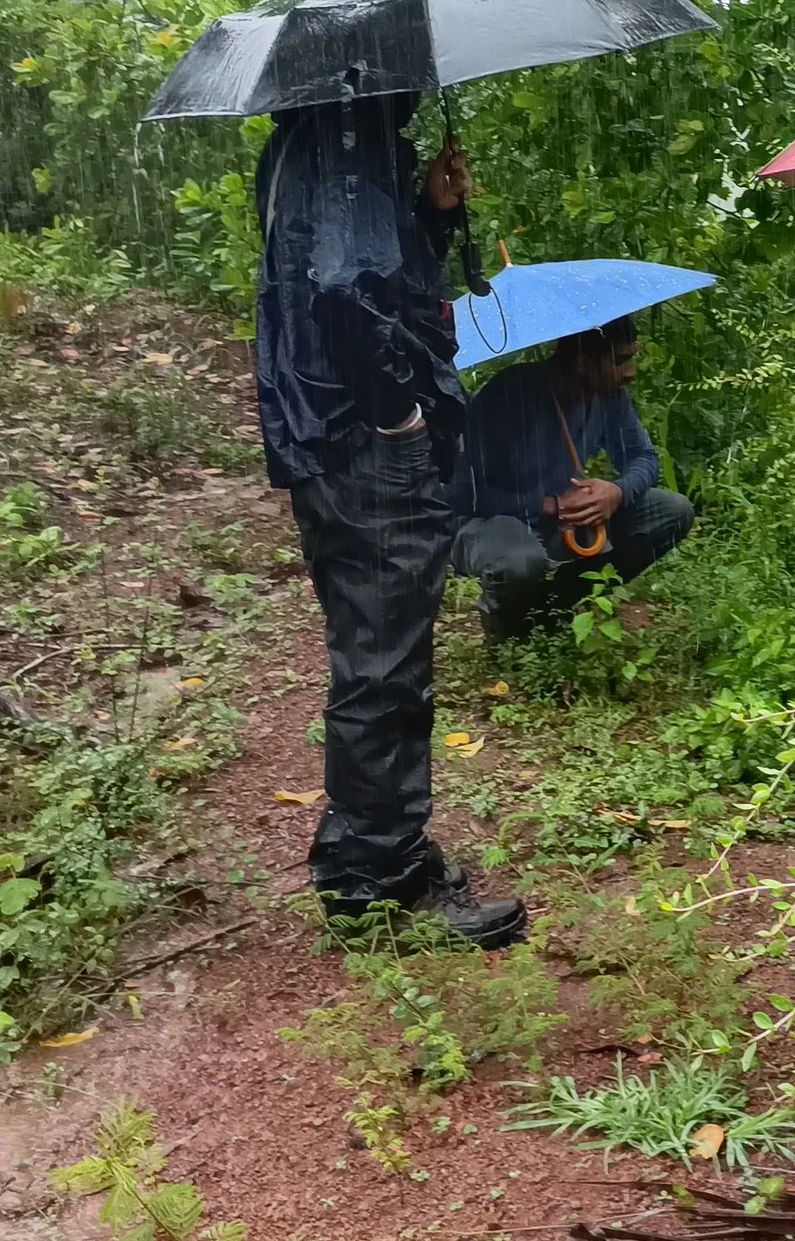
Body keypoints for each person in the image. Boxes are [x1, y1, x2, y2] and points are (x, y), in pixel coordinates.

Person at [253, 89, 527, 948]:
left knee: (380, 655)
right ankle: (376, 885)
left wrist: (428, 217)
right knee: (384, 665)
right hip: (361, 445)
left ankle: (374, 860)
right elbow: (343, 293)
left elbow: (370, 276)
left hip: (333, 439)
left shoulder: (325, 140)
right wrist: (397, 412)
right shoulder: (343, 139)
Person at [452, 315, 696, 642]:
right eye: (621, 360)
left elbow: (643, 458)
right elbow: (459, 494)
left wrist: (616, 492)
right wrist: (546, 505)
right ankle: (508, 629)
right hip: (491, 524)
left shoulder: (608, 395)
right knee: (521, 563)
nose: (630, 372)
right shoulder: (510, 395)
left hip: (559, 526)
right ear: (583, 362)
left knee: (673, 511)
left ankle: (553, 607)